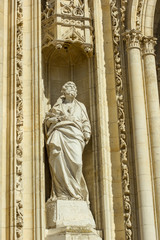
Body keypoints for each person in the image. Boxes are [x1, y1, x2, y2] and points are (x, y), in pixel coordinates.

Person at [45, 81, 91, 202]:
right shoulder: (58, 106)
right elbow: (48, 120)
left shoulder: (80, 106)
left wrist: (86, 133)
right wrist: (57, 119)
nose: (72, 89)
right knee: (57, 159)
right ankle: (61, 193)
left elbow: (85, 121)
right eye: (69, 87)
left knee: (77, 162)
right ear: (63, 91)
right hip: (59, 134)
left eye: (74, 87)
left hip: (75, 136)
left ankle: (75, 192)